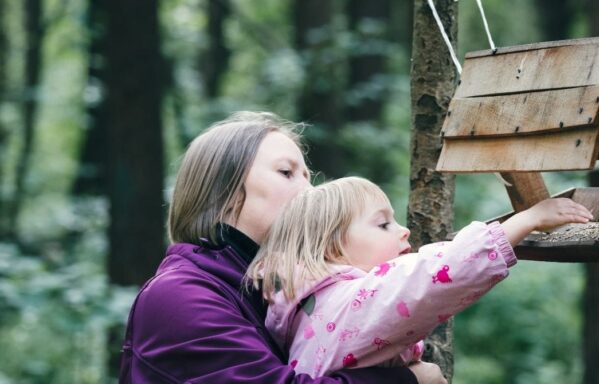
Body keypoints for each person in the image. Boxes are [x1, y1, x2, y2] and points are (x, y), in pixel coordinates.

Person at [119, 112, 446, 383]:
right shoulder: (180, 296)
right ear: (226, 195)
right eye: (287, 173)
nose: (310, 191)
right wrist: (409, 381)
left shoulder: (279, 292)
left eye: (308, 177)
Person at [248, 176, 593, 377]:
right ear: (333, 248)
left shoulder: (312, 308)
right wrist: (527, 220)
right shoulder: (349, 302)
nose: (403, 230)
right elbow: (435, 272)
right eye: (383, 224)